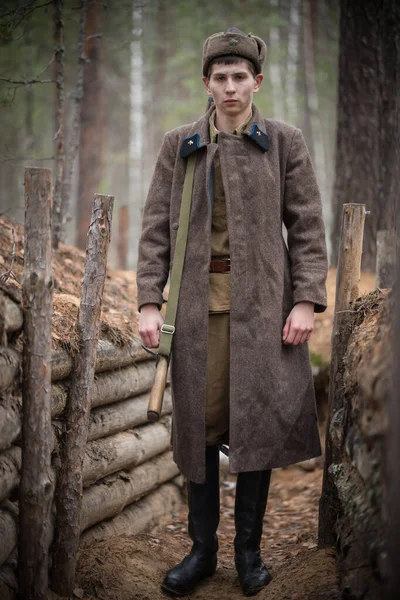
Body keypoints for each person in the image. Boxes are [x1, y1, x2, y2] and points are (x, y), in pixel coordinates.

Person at [137, 28, 328, 597]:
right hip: (197, 315)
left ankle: (249, 554)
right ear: (206, 83)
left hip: (266, 313)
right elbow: (154, 232)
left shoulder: (285, 143)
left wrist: (305, 298)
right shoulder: (181, 144)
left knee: (258, 427)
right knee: (200, 426)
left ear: (257, 82)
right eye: (219, 78)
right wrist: (150, 300)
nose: (229, 87)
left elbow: (309, 226)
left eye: (239, 77)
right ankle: (201, 551)